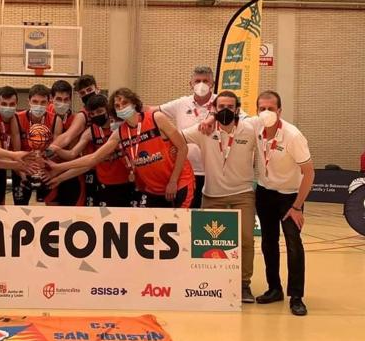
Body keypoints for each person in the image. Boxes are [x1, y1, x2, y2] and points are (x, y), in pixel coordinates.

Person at [48, 88, 194, 208]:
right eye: (117, 106)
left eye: (125, 103)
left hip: (178, 182)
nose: (121, 107)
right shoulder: (119, 133)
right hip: (154, 189)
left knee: (180, 232)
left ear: (134, 103)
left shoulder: (156, 118)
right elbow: (93, 159)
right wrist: (59, 168)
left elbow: (182, 148)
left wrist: (174, 181)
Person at [184, 90, 257, 303]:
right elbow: (176, 136)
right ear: (214, 110)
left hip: (242, 194)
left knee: (245, 240)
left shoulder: (249, 130)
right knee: (208, 242)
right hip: (212, 194)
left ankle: (244, 284)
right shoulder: (203, 130)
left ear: (237, 110)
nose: (226, 110)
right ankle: (210, 282)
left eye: (230, 107)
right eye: (221, 107)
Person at [252, 91, 314, 316]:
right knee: (268, 242)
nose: (266, 112)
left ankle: (296, 296)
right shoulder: (255, 127)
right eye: (262, 108)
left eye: (270, 108)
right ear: (257, 110)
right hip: (265, 193)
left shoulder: (292, 135)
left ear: (279, 111)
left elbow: (309, 173)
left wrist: (297, 206)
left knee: (293, 243)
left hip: (290, 196)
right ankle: (274, 288)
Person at [47, 94, 134, 207]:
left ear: (107, 109)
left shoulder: (122, 126)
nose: (96, 115)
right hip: (105, 185)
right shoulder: (90, 132)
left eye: (99, 111)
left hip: (128, 182)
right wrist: (56, 149)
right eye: (92, 114)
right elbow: (74, 155)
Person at [158, 66, 216, 208]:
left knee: (210, 220)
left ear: (212, 84)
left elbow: (243, 118)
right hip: (186, 171)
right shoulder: (181, 103)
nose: (201, 84)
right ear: (190, 84)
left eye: (205, 81)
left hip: (214, 173)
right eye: (197, 81)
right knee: (187, 218)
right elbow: (153, 111)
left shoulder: (222, 102)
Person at [12, 84, 63, 205]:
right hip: (22, 168)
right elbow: (16, 152)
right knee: (20, 210)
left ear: (48, 102)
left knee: (50, 209)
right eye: (35, 101)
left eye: (42, 102)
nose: (38, 106)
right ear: (28, 101)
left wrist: (48, 172)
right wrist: (23, 174)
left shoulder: (56, 120)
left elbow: (55, 153)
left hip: (45, 170)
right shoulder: (17, 118)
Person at [45, 80, 87, 206]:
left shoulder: (76, 120)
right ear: (51, 98)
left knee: (73, 218)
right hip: (48, 172)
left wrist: (52, 151)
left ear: (70, 100)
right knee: (51, 217)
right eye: (59, 99)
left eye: (66, 99)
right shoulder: (44, 118)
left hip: (70, 174)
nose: (62, 103)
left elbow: (71, 155)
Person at [0, 86, 21, 204]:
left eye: (11, 104)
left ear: (17, 104)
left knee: (2, 205)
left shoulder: (17, 119)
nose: (8, 107)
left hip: (9, 164)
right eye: (4, 103)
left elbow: (17, 149)